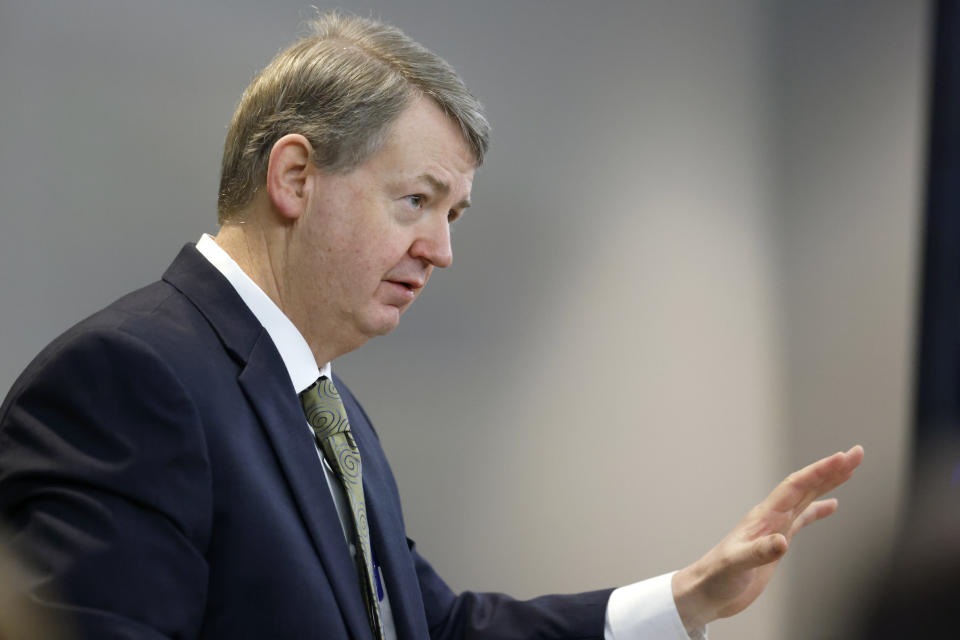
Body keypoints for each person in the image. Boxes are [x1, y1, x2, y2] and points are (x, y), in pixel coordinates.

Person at [0, 12, 863, 640]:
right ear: (295, 177)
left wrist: (687, 600)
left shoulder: (328, 407)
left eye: (454, 215)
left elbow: (435, 629)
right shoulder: (131, 381)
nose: (441, 251)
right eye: (416, 200)